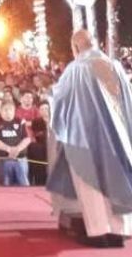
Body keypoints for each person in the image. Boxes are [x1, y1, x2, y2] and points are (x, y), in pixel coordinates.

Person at [47, 30, 132, 248]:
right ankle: (119, 231)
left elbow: (60, 100)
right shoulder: (116, 67)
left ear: (75, 47)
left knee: (91, 184)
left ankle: (98, 232)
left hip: (83, 138)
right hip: (116, 139)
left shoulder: (75, 69)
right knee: (116, 179)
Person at [0, 99, 31, 186]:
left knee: (24, 184)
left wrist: (17, 149)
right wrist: (8, 149)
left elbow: (27, 139)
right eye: (5, 110)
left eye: (10, 109)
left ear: (14, 110)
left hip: (20, 158)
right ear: (1, 110)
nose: (8, 112)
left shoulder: (20, 121)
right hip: (4, 159)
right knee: (6, 185)